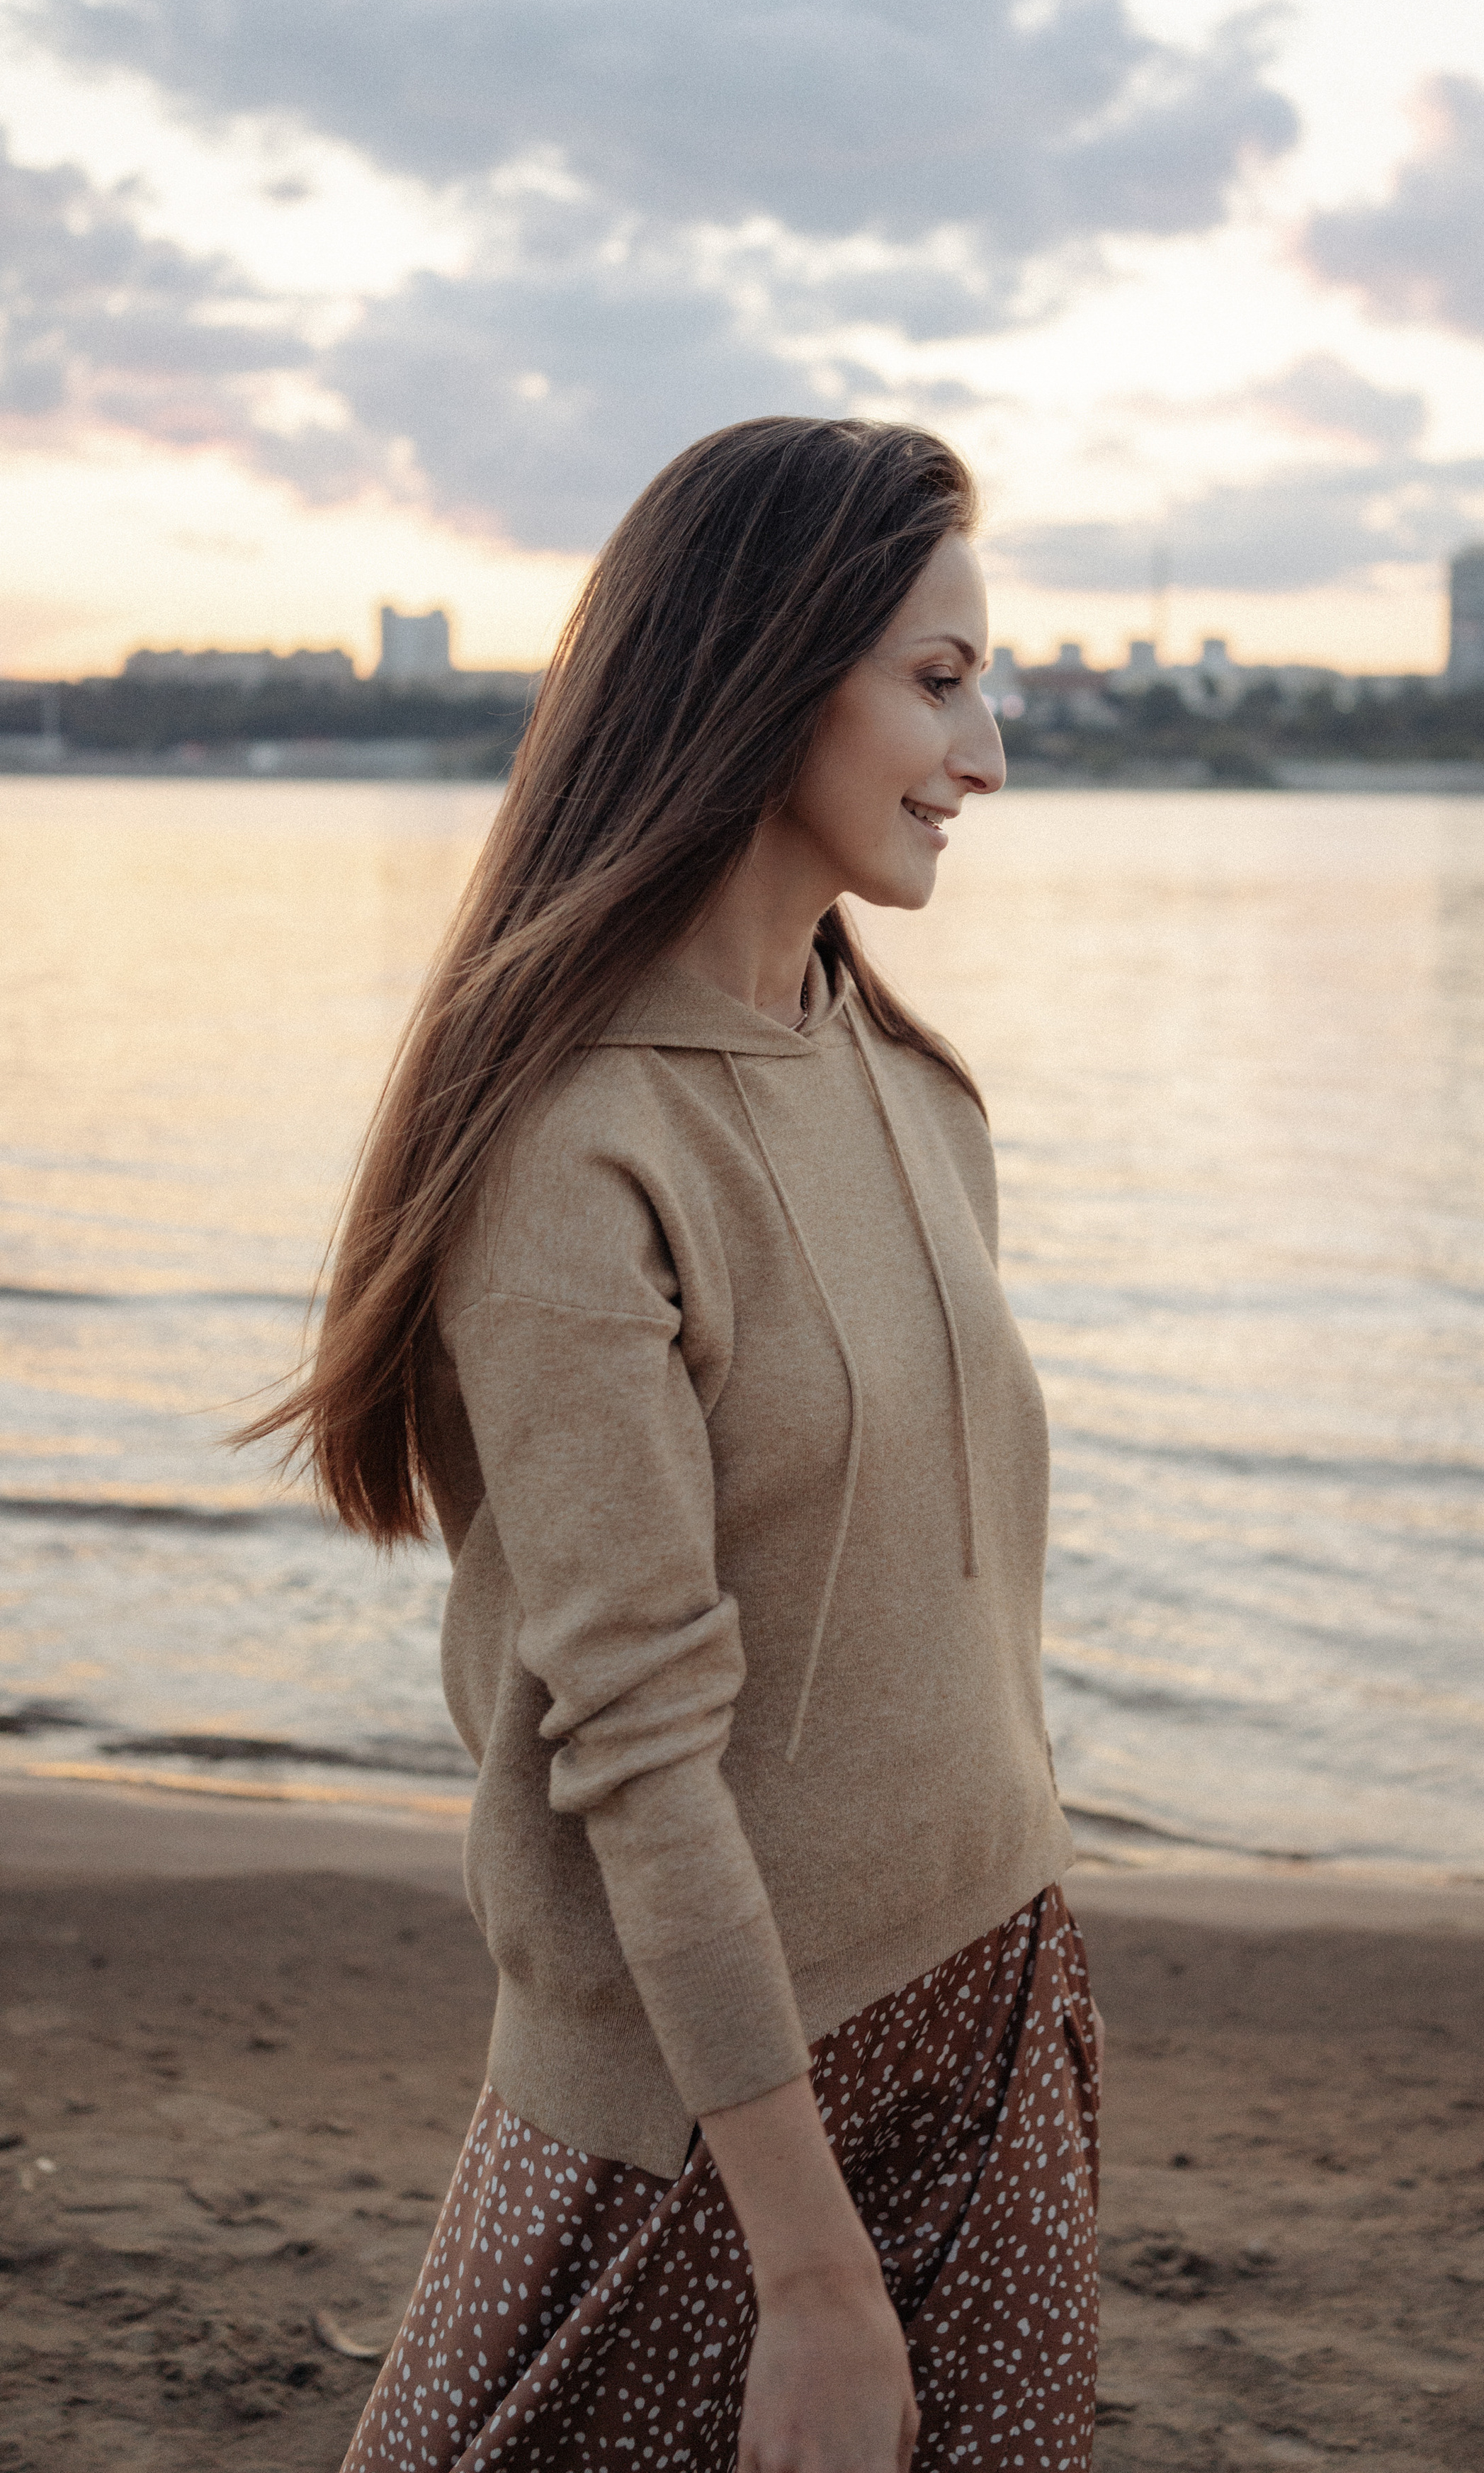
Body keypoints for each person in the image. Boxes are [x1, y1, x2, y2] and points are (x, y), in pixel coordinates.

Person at [251, 417, 1099, 2472]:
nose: (985, 757)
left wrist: (1023, 2023)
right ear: (763, 666)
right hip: (712, 2120)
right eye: (941, 680)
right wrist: (807, 2265)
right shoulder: (579, 1147)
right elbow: (636, 1742)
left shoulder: (909, 1077)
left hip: (997, 2019)